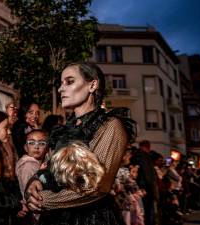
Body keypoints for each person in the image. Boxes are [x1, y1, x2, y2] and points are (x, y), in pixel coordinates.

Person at [26, 61, 135, 225]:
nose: (61, 88)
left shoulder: (111, 125)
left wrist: (43, 200)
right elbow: (49, 168)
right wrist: (34, 182)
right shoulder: (63, 129)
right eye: (61, 83)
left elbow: (96, 187)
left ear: (92, 85)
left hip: (91, 218)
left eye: (69, 82)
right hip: (55, 217)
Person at [131, 140, 159, 225]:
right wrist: (153, 188)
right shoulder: (144, 156)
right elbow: (148, 174)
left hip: (142, 186)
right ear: (147, 147)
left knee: (143, 211)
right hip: (146, 188)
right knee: (147, 210)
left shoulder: (136, 155)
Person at [16, 129, 49, 199]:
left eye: (41, 143)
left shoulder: (45, 162)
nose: (36, 147)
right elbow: (30, 195)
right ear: (26, 148)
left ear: (46, 148)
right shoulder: (28, 166)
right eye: (31, 143)